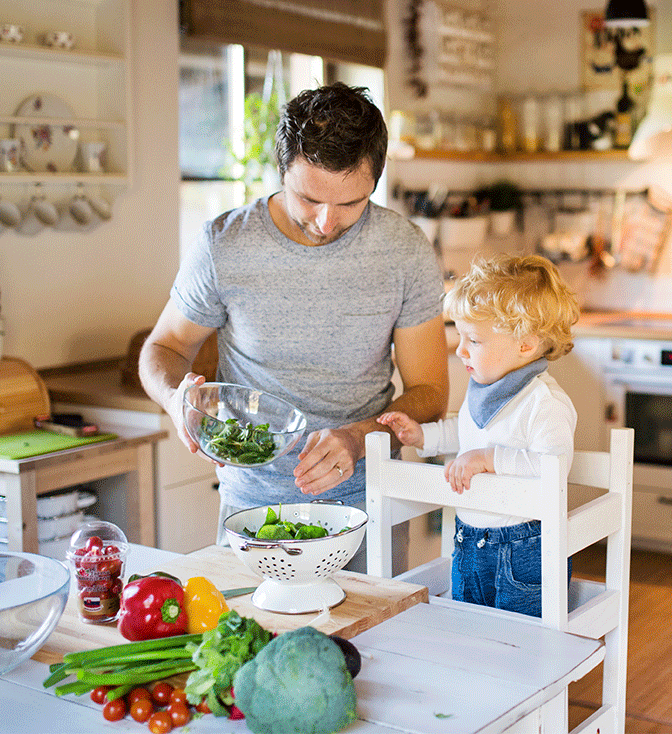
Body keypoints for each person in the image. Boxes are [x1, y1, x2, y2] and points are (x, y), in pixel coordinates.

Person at [138, 82, 449, 545]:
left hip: (369, 503)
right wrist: (174, 399)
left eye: (350, 204)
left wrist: (358, 437)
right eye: (309, 199)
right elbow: (165, 347)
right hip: (250, 508)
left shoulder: (404, 251)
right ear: (282, 170)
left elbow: (429, 393)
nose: (327, 222)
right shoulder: (225, 244)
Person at [377, 254, 580, 617]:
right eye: (460, 335)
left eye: (474, 339)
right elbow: (466, 431)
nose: (461, 349)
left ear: (525, 345)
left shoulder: (542, 401)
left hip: (525, 547)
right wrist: (421, 436)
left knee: (523, 645)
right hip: (469, 540)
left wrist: (488, 459)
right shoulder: (485, 390)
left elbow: (554, 465)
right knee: (470, 633)